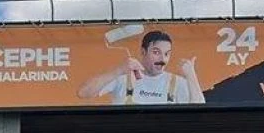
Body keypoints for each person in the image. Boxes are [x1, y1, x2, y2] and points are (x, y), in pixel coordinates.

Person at [77, 30, 205, 105]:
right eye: (156, 52)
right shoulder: (123, 77)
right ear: (143, 52)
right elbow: (83, 93)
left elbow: (200, 116)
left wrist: (191, 76)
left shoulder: (176, 82)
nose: (162, 59)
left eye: (167, 54)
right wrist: (119, 70)